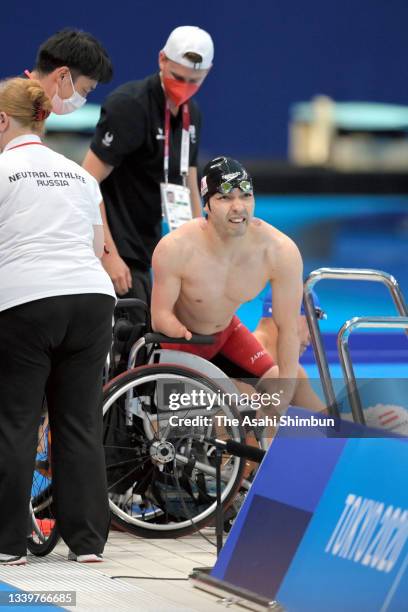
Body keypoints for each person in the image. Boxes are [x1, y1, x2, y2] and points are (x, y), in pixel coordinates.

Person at [0, 78, 116, 565]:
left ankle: (8, 545)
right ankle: (87, 543)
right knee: (80, 422)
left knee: (16, 423)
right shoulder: (80, 176)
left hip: (27, 300)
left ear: (2, 121)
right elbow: (96, 250)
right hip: (91, 300)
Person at [151, 156, 304, 413]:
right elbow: (160, 316)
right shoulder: (176, 248)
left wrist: (284, 393)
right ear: (206, 205)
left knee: (282, 387)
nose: (238, 207)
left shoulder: (279, 251)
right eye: (225, 197)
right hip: (179, 343)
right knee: (184, 426)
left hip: (227, 335)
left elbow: (288, 328)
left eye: (245, 196)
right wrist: (181, 332)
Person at [82, 25, 214, 303]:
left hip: (151, 250)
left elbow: (189, 180)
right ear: (162, 60)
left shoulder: (193, 115)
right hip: (117, 250)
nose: (184, 87)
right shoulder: (129, 106)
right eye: (178, 77)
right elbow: (85, 182)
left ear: (208, 72)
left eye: (195, 81)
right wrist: (108, 254)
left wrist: (199, 250)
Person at [253, 287, 327, 412]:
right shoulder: (247, 360)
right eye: (311, 322)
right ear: (289, 315)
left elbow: (329, 422)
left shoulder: (293, 370)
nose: (312, 336)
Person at [24, 28, 113, 114]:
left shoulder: (37, 109)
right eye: (85, 90)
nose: (83, 100)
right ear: (62, 76)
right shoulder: (14, 109)